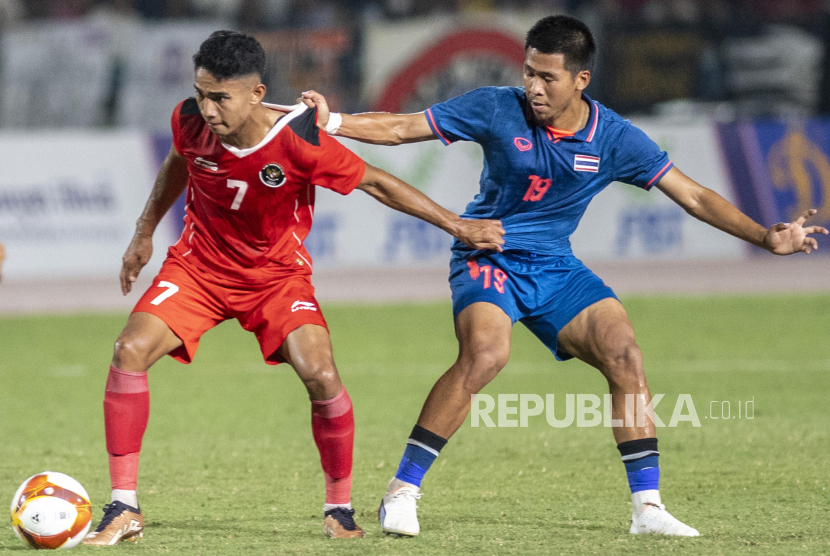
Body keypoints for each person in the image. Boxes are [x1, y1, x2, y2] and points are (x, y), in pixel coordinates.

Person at [302, 14, 828, 538]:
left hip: (555, 266)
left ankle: (647, 509)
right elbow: (402, 127)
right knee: (487, 354)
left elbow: (692, 195)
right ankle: (402, 491)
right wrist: (333, 122)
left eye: (547, 77)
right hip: (489, 255)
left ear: (581, 80)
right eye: (529, 72)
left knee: (624, 353)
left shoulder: (615, 137)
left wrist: (764, 235)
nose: (533, 87)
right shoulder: (496, 106)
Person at [82, 30, 504, 545]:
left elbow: (377, 181)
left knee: (322, 375)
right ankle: (123, 507)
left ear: (256, 94)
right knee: (128, 351)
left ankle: (339, 508)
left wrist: (459, 226)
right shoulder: (189, 120)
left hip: (276, 279)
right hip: (198, 270)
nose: (207, 109)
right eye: (201, 93)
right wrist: (144, 232)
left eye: (220, 97)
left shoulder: (299, 141)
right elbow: (179, 161)